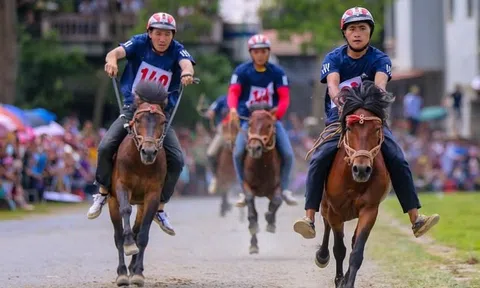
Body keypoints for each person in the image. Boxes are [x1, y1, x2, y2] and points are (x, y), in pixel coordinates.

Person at [293, 7, 440, 239]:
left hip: (371, 120)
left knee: (398, 159)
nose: (358, 33)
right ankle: (309, 218)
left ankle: (415, 218)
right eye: (352, 29)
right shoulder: (333, 58)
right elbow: (332, 84)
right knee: (319, 158)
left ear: (370, 32)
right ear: (345, 33)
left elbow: (380, 85)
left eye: (363, 28)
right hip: (340, 121)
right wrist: (338, 100)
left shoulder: (380, 59)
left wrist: (374, 100)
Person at [86, 12, 196, 237]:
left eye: (167, 34)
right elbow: (114, 52)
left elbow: (187, 64)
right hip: (133, 111)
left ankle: (160, 207)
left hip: (159, 115)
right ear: (149, 33)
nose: (162, 38)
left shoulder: (177, 50)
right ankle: (103, 191)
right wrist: (111, 61)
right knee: (106, 146)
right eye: (158, 33)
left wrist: (186, 73)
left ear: (172, 36)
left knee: (177, 159)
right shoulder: (138, 43)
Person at [227, 34, 298, 207]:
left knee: (288, 154)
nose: (260, 55)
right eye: (256, 52)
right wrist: (233, 109)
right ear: (251, 53)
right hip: (249, 121)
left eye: (264, 51)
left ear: (268, 53)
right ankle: (243, 190)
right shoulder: (241, 71)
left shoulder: (278, 73)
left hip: (270, 121)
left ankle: (284, 189)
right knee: (237, 153)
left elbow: (284, 98)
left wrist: (276, 115)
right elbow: (233, 93)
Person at [205, 94, 230, 194]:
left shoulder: (244, 97)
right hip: (223, 130)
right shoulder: (222, 99)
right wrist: (210, 113)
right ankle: (215, 177)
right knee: (210, 153)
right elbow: (212, 109)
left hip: (239, 130)